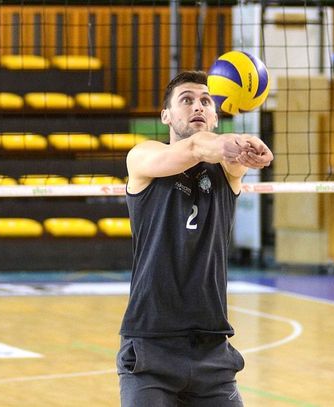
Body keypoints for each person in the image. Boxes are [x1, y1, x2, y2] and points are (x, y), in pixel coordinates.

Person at [116, 70, 273, 406]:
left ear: (215, 116)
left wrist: (249, 145)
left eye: (206, 101)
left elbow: (228, 157)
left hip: (212, 350)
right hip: (150, 347)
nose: (198, 106)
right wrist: (225, 142)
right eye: (186, 100)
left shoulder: (228, 170)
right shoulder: (143, 157)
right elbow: (196, 147)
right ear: (166, 116)